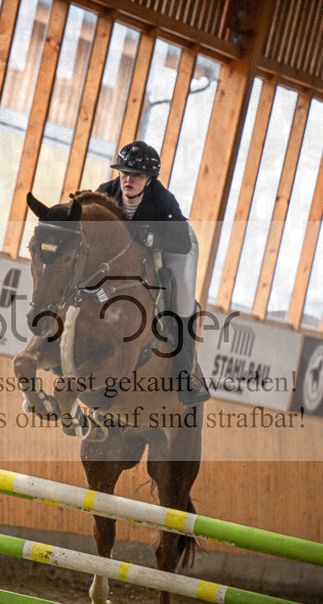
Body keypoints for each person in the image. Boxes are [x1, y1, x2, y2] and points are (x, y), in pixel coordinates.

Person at [97, 140, 209, 407]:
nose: (129, 179)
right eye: (124, 172)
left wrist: (144, 237)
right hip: (130, 251)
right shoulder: (105, 193)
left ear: (149, 180)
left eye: (136, 175)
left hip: (173, 245)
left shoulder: (163, 200)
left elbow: (180, 241)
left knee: (181, 300)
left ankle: (185, 377)